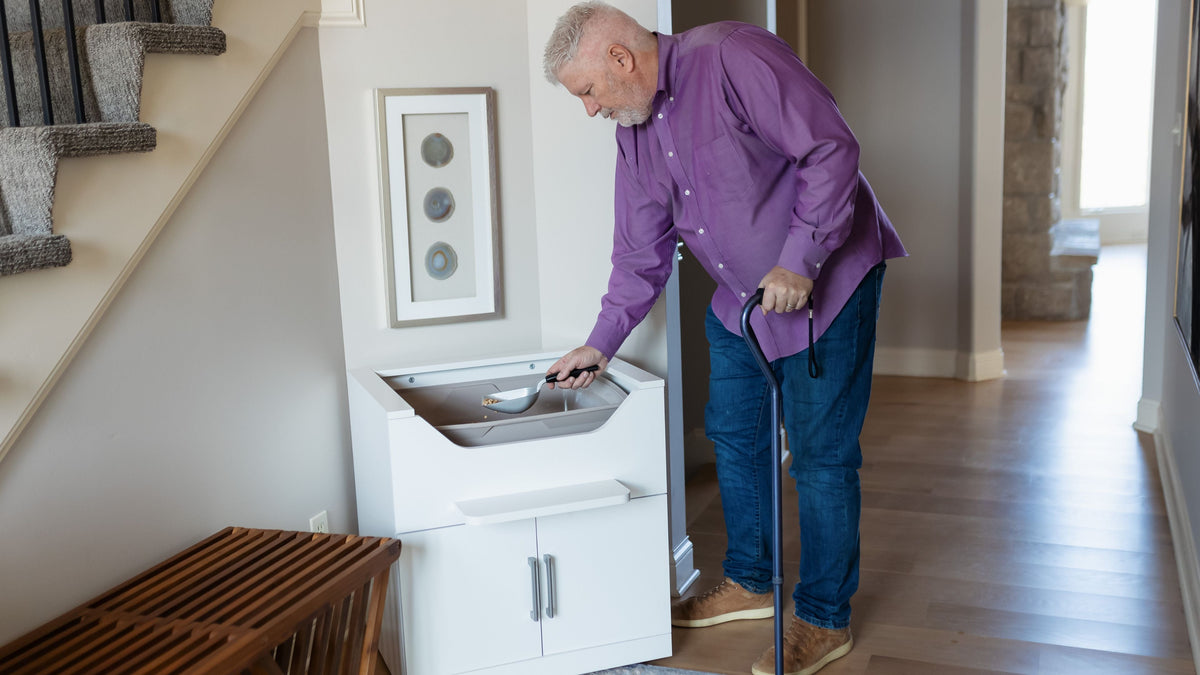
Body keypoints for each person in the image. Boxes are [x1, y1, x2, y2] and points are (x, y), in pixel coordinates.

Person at [542, 3, 906, 674]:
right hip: (742, 303)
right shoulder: (635, 135)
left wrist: (800, 260)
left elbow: (831, 149)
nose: (590, 110)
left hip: (828, 287)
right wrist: (600, 342)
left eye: (588, 91)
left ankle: (824, 617)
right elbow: (639, 254)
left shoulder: (734, 57)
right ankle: (751, 580)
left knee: (821, 458)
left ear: (620, 59)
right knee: (736, 436)